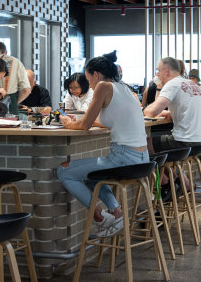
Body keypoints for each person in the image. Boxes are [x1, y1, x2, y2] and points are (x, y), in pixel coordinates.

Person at [57, 51, 148, 238]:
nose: (88, 82)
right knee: (92, 177)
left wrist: (68, 123)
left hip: (123, 157)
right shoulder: (124, 87)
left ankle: (100, 217)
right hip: (142, 159)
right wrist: (80, 120)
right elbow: (107, 121)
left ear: (95, 74)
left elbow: (85, 126)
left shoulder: (103, 86)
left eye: (88, 77)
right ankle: (116, 212)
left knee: (64, 171)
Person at [144, 57, 201, 153]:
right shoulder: (193, 84)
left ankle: (156, 167)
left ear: (166, 71)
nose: (157, 74)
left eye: (158, 70)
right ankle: (169, 168)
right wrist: (170, 113)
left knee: (147, 140)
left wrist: (143, 110)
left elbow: (151, 111)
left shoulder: (172, 84)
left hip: (184, 141)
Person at [0, 41, 30, 115]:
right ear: (6, 52)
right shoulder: (16, 62)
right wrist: (13, 102)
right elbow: (26, 90)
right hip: (11, 108)